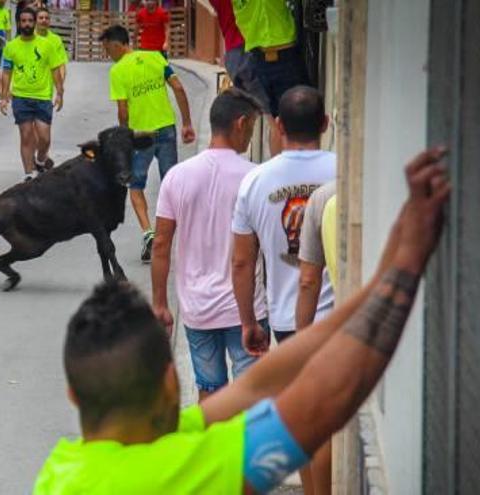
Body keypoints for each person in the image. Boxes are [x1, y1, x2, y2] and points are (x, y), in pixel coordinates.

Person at [33, 146, 452, 493]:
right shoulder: (174, 476)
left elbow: (259, 383)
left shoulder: (62, 471)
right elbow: (322, 403)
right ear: (168, 381)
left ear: (74, 394)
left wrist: (380, 275)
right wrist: (409, 266)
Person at [151, 89, 268, 401]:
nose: (250, 135)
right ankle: (240, 450)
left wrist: (160, 303)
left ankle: (213, 448)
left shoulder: (177, 177)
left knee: (210, 391)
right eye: (253, 127)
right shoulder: (255, 178)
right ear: (241, 123)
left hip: (197, 307)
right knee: (248, 395)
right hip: (247, 309)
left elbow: (160, 244)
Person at [231, 85, 335, 349]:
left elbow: (242, 263)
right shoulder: (345, 171)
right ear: (325, 124)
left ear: (279, 126)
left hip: (287, 321)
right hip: (340, 318)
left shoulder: (254, 181)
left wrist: (248, 323)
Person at [99, 25, 195, 263]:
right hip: (166, 129)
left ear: (116, 43)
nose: (106, 53)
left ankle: (149, 233)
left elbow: (123, 109)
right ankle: (182, 238)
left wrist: (124, 136)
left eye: (106, 47)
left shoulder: (118, 71)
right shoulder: (156, 58)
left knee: (135, 185)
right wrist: (187, 123)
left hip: (140, 136)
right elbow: (179, 88)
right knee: (171, 183)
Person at [292, 179, 337, 495]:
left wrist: (300, 339)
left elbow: (309, 280)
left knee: (316, 428)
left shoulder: (325, 197)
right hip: (355, 327)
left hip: (323, 333)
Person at [231, 0, 311, 156]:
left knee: (283, 122)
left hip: (270, 58)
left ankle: (286, 172)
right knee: (286, 122)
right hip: (272, 58)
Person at [0, 7, 65, 181]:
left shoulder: (47, 45)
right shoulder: (11, 47)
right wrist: (4, 96)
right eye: (23, 21)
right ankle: (29, 174)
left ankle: (40, 160)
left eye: (30, 21)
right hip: (21, 97)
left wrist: (60, 92)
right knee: (26, 135)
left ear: (35, 23)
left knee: (44, 138)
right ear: (19, 23)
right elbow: (6, 72)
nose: (27, 24)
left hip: (43, 97)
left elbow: (55, 70)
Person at [35, 7, 69, 88]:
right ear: (35, 20)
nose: (44, 20)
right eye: (41, 18)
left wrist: (60, 88)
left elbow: (61, 65)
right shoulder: (28, 38)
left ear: (49, 21)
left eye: (47, 18)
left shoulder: (56, 40)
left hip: (46, 89)